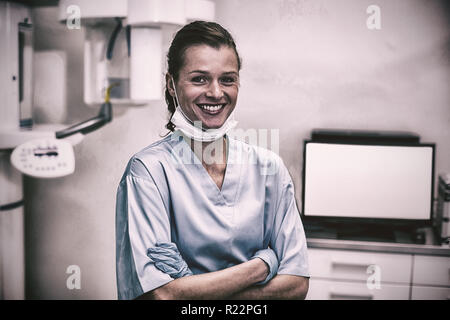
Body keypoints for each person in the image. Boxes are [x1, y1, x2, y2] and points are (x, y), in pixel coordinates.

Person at [115, 21, 309, 300]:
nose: (216, 93)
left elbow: (296, 285)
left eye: (227, 79)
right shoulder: (148, 172)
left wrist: (191, 286)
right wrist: (261, 265)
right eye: (199, 79)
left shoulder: (269, 169)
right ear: (171, 84)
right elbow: (161, 296)